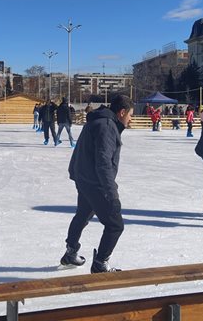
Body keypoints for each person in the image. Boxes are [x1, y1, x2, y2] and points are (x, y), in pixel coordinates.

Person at [60, 94, 134, 273]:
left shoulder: (100, 120)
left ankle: (70, 252)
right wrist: (111, 193)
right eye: (130, 115)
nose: (131, 119)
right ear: (122, 112)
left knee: (83, 214)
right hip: (94, 181)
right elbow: (103, 163)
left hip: (83, 176)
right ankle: (100, 262)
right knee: (115, 225)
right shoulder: (106, 126)